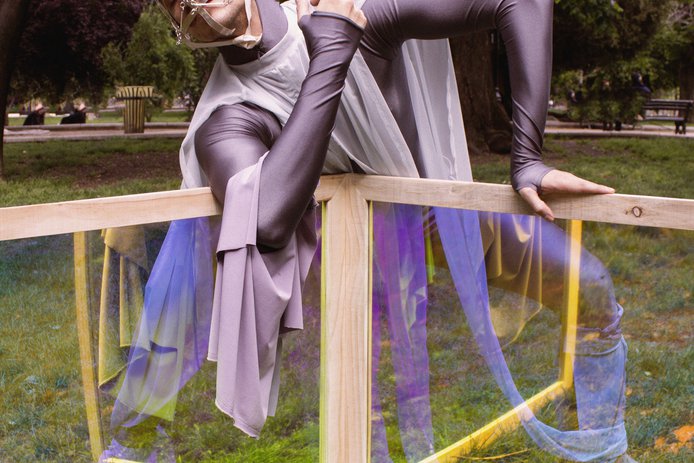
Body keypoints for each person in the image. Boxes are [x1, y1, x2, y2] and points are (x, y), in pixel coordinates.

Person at [103, 1, 632, 462]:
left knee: (589, 286)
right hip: (341, 248)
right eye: (170, 3)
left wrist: (528, 157)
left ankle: (604, 445)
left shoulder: (360, 11)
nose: (187, 2)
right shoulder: (227, 119)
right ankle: (134, 442)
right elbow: (266, 219)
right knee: (361, 404)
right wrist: (331, 54)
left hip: (432, 216)